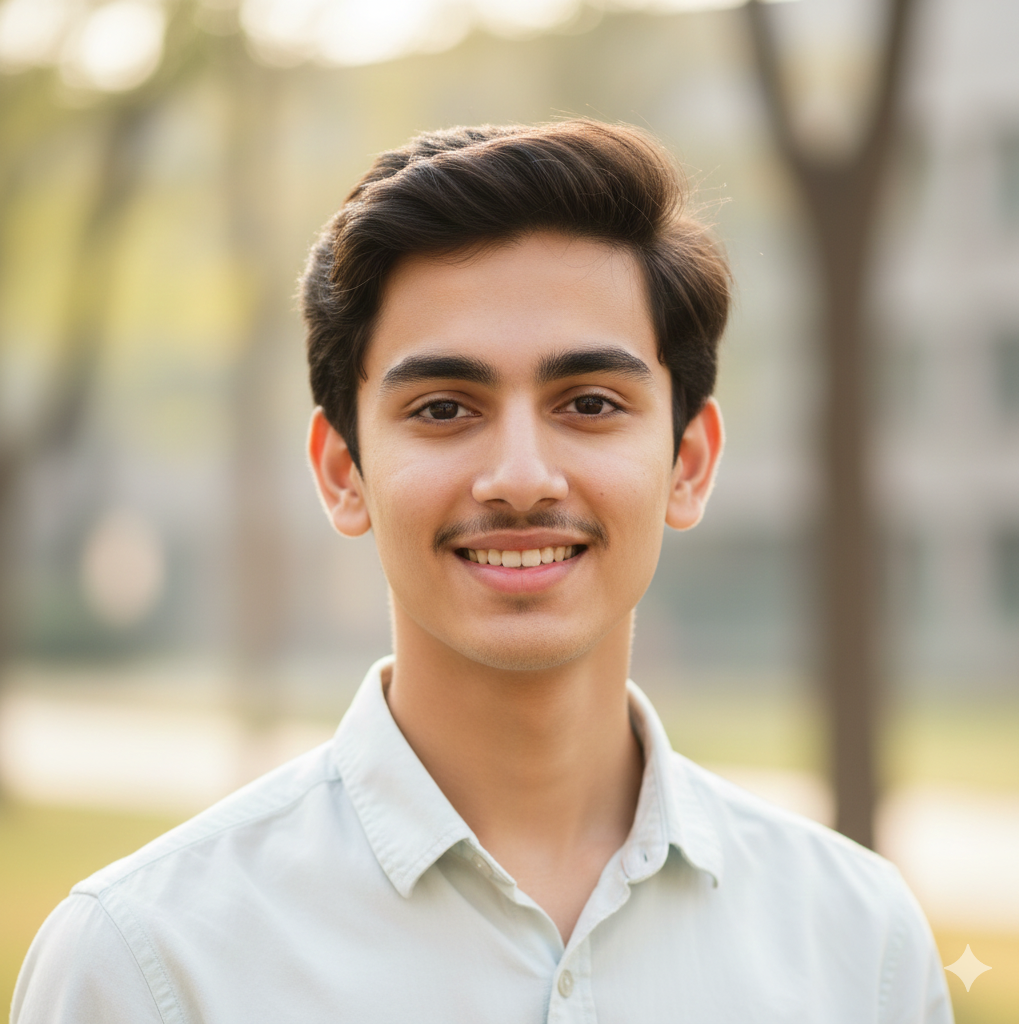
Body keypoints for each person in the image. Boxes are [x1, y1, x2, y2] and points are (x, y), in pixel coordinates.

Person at [12, 120, 952, 1024]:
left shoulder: (861, 946)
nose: (519, 480)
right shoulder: (145, 964)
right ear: (344, 472)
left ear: (689, 462)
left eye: (588, 402)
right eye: (443, 409)